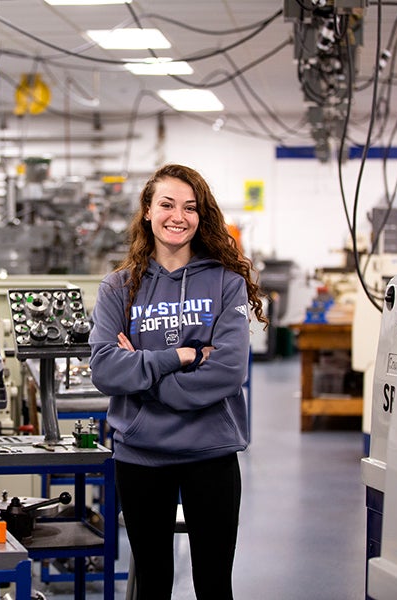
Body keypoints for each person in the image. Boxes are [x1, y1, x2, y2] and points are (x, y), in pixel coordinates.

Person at [88, 164, 267, 599]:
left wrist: (147, 376)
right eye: (166, 204)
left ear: (201, 217)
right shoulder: (118, 288)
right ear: (147, 212)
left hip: (211, 451)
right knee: (151, 584)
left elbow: (227, 372)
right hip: (142, 455)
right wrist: (181, 356)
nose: (178, 216)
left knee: (213, 585)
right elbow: (105, 369)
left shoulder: (227, 283)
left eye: (190, 207)